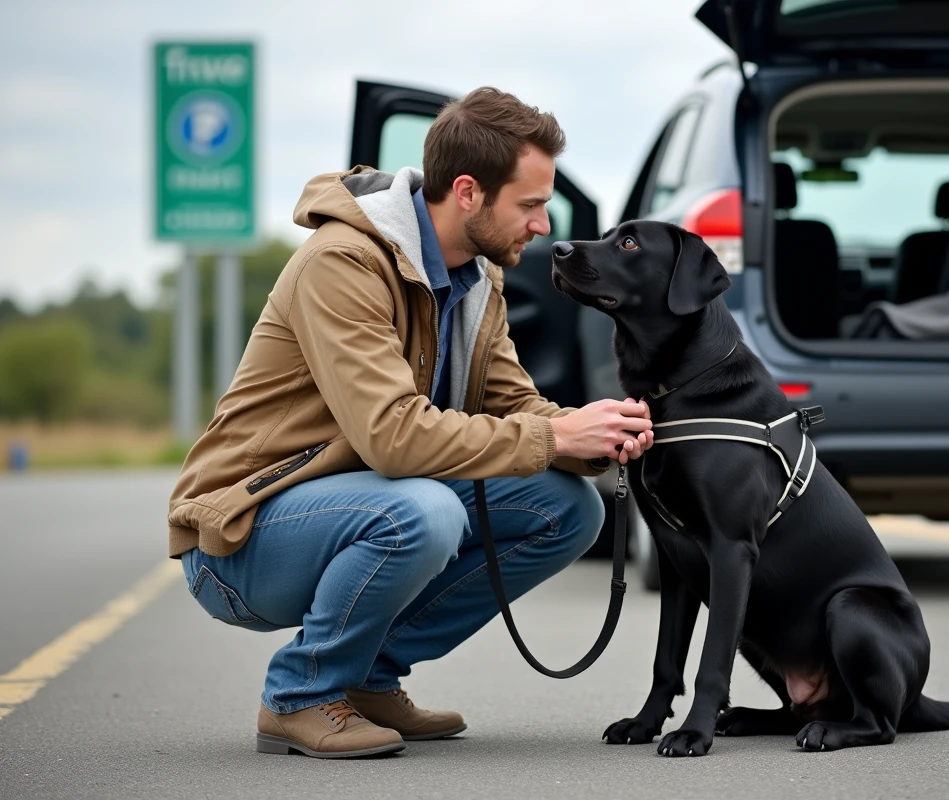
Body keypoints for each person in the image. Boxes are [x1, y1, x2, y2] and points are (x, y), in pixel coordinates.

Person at [167, 87, 654, 759]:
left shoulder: (479, 277)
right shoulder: (342, 263)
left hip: (363, 502)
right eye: (531, 205)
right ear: (467, 192)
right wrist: (553, 437)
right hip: (240, 536)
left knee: (569, 509)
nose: (543, 227)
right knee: (422, 511)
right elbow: (392, 438)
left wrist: (593, 432)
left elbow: (519, 408)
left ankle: (365, 676)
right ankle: (302, 693)